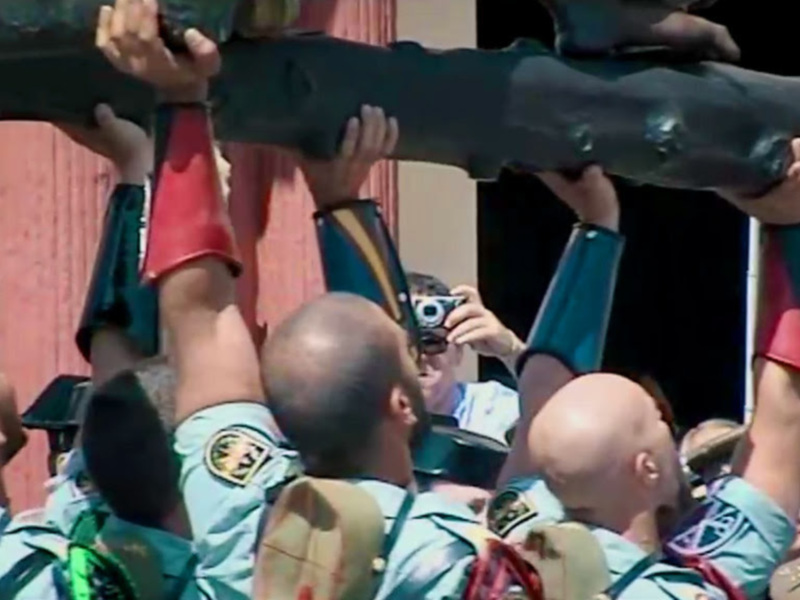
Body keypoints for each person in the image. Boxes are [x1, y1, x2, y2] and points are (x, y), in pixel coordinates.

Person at [514, 144, 800, 598]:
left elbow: (540, 387)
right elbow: (785, 412)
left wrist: (597, 222)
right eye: (658, 422)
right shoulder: (695, 584)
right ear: (646, 468)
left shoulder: (504, 554)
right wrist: (789, 222)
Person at [92, 3, 301, 597]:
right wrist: (172, 120)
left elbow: (121, 393)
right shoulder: (238, 573)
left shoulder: (48, 567)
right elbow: (196, 327)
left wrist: (143, 164)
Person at [408, 272, 524, 443]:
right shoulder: (369, 417)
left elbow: (561, 415)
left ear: (458, 351)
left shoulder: (493, 409)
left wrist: (513, 351)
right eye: (406, 345)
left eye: (431, 342)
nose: (419, 357)